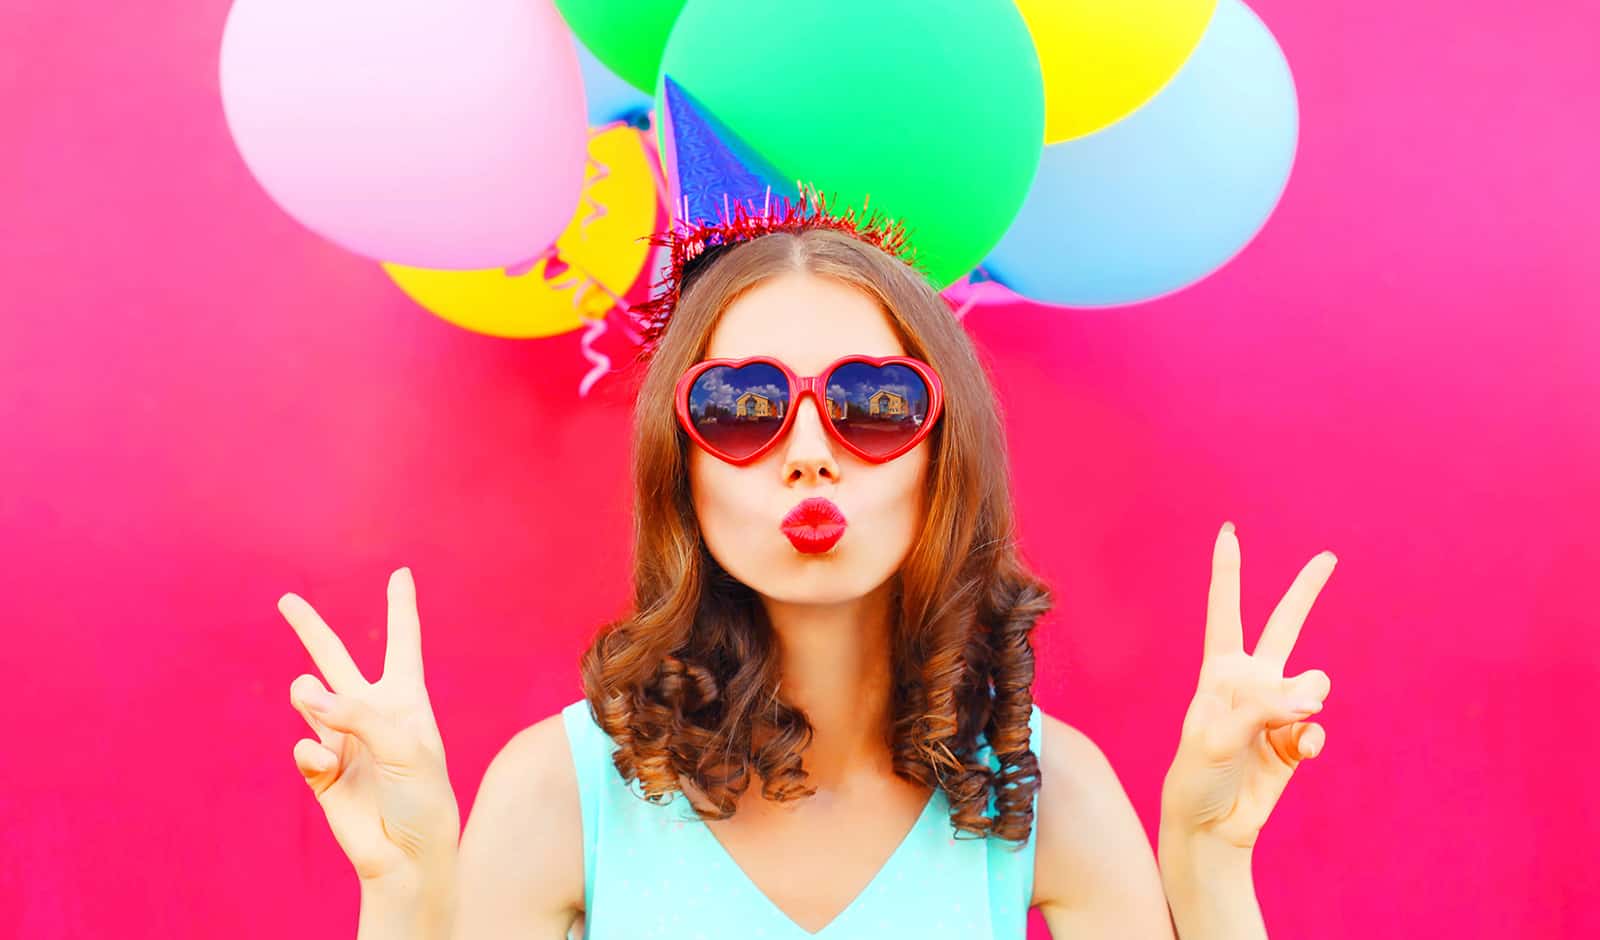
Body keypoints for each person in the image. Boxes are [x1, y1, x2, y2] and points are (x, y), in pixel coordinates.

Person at [279, 200, 1336, 939]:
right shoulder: (561, 794)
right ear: (680, 469)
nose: (808, 445)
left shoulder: (1049, 796)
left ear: (944, 454)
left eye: (873, 400)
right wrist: (404, 895)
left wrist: (1207, 862)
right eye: (741, 404)